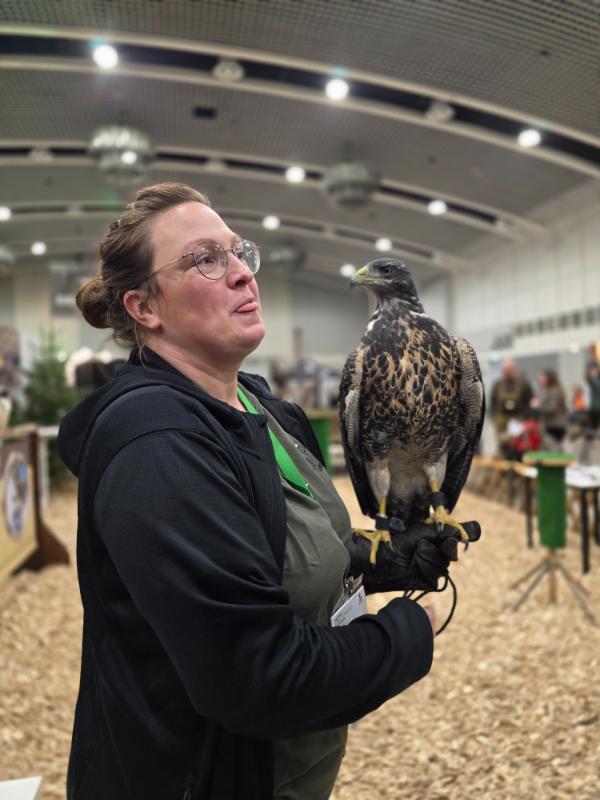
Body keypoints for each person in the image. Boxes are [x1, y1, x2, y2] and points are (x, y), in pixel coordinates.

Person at [57, 183, 475, 800]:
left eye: (239, 252)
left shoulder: (261, 407)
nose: (241, 273)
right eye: (205, 259)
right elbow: (257, 679)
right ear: (144, 308)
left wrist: (383, 563)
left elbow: (271, 552)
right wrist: (406, 634)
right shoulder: (157, 447)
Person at [490, 360, 534, 457]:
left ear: (514, 369)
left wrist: (527, 418)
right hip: (501, 419)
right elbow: (493, 401)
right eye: (505, 370)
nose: (507, 372)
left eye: (509, 370)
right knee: (502, 444)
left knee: (517, 444)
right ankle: (504, 461)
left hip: (519, 417)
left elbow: (530, 400)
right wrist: (494, 417)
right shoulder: (497, 384)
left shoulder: (523, 383)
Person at [536, 369, 568, 447]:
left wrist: (538, 405)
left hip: (556, 425)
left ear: (548, 378)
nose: (540, 380)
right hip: (551, 425)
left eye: (542, 378)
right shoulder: (549, 390)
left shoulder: (555, 391)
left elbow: (551, 408)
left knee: (555, 449)